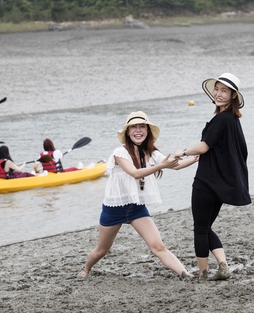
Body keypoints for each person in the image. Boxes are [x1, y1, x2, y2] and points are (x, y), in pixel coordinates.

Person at [79, 111, 197, 279]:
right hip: (114, 208)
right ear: (127, 132)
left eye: (142, 126)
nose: (138, 130)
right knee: (102, 250)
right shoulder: (119, 152)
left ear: (148, 131)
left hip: (137, 207)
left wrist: (195, 159)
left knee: (158, 246)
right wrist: (161, 166)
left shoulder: (152, 152)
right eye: (133, 127)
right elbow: (135, 173)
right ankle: (85, 269)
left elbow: (175, 165)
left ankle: (186, 275)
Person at [174, 73, 251, 281]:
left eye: (224, 91)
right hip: (220, 186)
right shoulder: (233, 121)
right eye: (217, 89)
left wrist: (183, 151)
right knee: (205, 227)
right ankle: (223, 265)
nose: (218, 93)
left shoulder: (221, 119)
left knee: (199, 229)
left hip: (206, 183)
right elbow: (236, 152)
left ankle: (202, 274)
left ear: (233, 95)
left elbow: (204, 146)